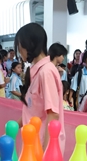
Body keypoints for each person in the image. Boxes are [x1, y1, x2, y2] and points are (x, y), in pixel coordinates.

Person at [15, 22, 65, 152]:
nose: (19, 51)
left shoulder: (46, 72)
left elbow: (53, 114)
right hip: (32, 143)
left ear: (29, 44)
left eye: (19, 47)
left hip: (41, 146)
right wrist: (13, 129)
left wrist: (45, 151)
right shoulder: (37, 71)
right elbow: (33, 111)